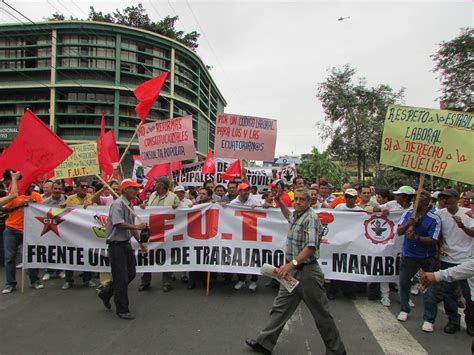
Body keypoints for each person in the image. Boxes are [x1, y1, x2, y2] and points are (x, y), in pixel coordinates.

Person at [245, 188, 346, 355]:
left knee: (321, 314)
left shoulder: (311, 218)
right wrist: (280, 201)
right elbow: (288, 215)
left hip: (308, 274)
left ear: (309, 202)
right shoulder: (297, 215)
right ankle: (264, 343)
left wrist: (290, 264)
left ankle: (336, 350)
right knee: (280, 308)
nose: (297, 202)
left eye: (301, 200)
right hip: (292, 272)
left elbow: (311, 246)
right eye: (296, 199)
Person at [98, 179, 148, 320]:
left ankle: (106, 292)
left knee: (131, 273)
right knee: (121, 278)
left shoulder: (129, 205)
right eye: (134, 188)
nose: (137, 191)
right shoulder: (117, 204)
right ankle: (122, 309)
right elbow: (119, 223)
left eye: (137, 189)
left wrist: (141, 242)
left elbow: (131, 226)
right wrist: (137, 227)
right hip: (116, 245)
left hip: (126, 244)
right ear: (125, 189)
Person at [396, 190, 440, 333]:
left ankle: (429, 319)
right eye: (414, 198)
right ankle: (404, 309)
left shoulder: (435, 218)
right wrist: (408, 224)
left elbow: (434, 239)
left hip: (427, 257)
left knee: (429, 289)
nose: (415, 200)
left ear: (427, 201)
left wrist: (417, 238)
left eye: (420, 198)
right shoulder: (408, 214)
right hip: (409, 255)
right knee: (404, 282)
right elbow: (399, 231)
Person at [436, 189, 474, 335]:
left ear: (456, 198)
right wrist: (439, 246)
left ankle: (471, 322)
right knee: (448, 293)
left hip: (466, 260)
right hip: (447, 259)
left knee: (469, 295)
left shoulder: (468, 213)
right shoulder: (440, 214)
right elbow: (436, 232)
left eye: (448, 198)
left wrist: (462, 226)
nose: (446, 201)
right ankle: (453, 321)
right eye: (443, 198)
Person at [2, 177, 44, 294]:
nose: (32, 188)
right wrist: (19, 205)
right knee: (10, 257)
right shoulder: (14, 196)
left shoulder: (36, 196)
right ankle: (10, 284)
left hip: (29, 230)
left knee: (31, 256)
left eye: (33, 186)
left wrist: (35, 206)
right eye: (30, 186)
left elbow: (43, 211)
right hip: (12, 229)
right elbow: (4, 210)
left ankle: (35, 280)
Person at [139, 176, 179, 292]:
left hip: (166, 231)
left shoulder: (173, 197)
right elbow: (148, 207)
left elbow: (181, 211)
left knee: (165, 255)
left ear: (162, 185)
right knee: (147, 255)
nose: (155, 184)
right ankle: (145, 281)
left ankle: (167, 282)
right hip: (151, 230)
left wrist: (177, 207)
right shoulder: (153, 195)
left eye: (157, 182)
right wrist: (143, 206)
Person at [62, 179, 96, 290]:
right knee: (70, 256)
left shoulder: (90, 198)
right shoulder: (71, 199)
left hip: (87, 233)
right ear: (77, 187)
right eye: (82, 186)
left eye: (86, 186)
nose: (84, 188)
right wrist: (62, 206)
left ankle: (87, 279)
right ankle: (68, 280)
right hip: (73, 233)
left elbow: (97, 210)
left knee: (88, 255)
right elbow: (63, 208)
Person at [230, 183, 262, 291]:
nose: (246, 192)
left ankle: (254, 280)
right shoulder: (233, 203)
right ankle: (242, 279)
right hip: (238, 234)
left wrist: (258, 208)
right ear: (239, 191)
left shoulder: (254, 201)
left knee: (254, 257)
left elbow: (264, 211)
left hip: (252, 234)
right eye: (244, 190)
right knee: (239, 256)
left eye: (248, 190)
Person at [188, 187, 214, 289]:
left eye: (204, 194)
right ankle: (192, 280)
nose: (201, 195)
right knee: (194, 256)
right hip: (195, 235)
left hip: (209, 235)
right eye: (200, 193)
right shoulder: (195, 205)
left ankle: (205, 280)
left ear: (209, 196)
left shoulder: (213, 205)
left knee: (206, 257)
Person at [41, 180, 67, 281]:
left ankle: (60, 270)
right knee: (50, 250)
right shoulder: (45, 203)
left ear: (62, 190)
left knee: (61, 250)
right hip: (49, 229)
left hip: (63, 229)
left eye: (59, 189)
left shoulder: (67, 200)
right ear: (52, 189)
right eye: (55, 188)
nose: (57, 190)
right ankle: (48, 271)